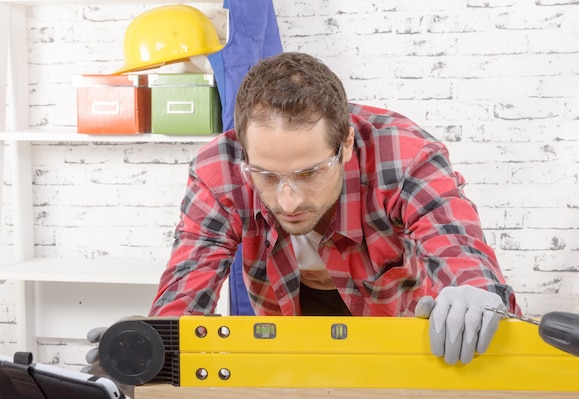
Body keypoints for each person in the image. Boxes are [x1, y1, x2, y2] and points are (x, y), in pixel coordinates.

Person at [145, 51, 521, 365]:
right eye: (267, 176)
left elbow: (455, 243)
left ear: (345, 144)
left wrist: (475, 290)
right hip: (293, 319)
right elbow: (188, 282)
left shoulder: (404, 156)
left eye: (309, 173)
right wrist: (149, 349)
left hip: (396, 326)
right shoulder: (219, 172)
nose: (287, 201)